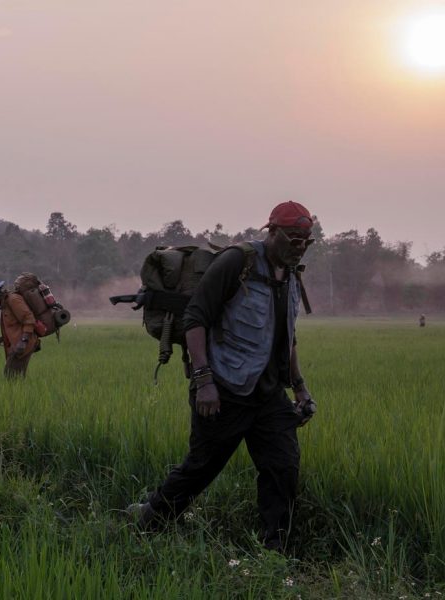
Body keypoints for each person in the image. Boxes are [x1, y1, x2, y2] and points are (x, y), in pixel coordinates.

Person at [128, 201, 319, 552]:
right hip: (225, 389)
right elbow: (196, 318)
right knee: (201, 468)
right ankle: (149, 521)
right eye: (293, 238)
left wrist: (300, 388)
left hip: (269, 396)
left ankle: (276, 551)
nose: (300, 246)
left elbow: (287, 336)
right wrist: (203, 381)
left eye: (306, 240)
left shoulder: (292, 274)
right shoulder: (238, 262)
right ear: (271, 231)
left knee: (283, 470)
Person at [0, 279, 39, 378]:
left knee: (11, 377)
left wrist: (23, 341)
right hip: (17, 345)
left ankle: (19, 393)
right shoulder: (5, 304)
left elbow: (29, 319)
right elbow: (15, 326)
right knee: (14, 377)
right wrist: (2, 338)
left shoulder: (13, 300)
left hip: (23, 345)